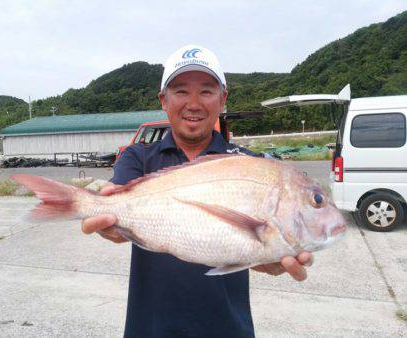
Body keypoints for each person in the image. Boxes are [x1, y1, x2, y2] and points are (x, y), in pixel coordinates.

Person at [81, 45, 313, 338]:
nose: (193, 103)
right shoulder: (138, 158)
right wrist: (107, 218)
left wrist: (264, 256)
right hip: (149, 329)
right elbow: (115, 201)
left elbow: (251, 240)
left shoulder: (248, 165)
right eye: (180, 91)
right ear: (163, 100)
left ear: (222, 99)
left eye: (206, 91)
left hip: (228, 329)